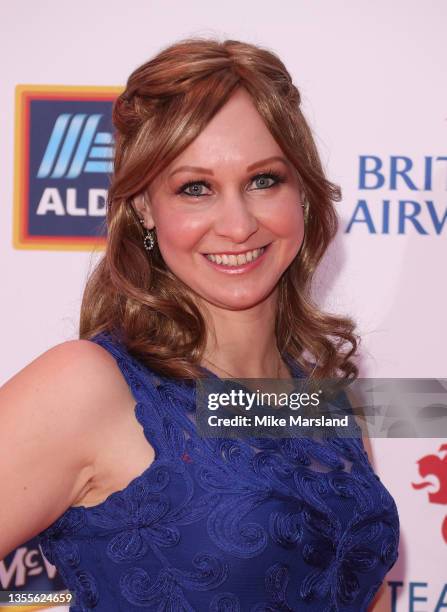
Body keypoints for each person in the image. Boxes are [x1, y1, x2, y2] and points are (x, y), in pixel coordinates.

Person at [0, 37, 399, 611]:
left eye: (264, 180)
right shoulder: (90, 385)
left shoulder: (327, 404)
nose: (237, 225)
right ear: (144, 208)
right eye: (195, 188)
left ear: (303, 193)